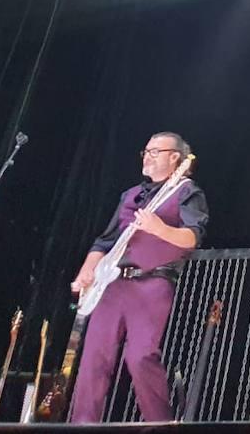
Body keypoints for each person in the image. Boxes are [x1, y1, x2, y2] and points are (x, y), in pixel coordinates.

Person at [68, 132, 208, 423]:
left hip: (153, 283)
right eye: (145, 150)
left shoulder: (186, 190)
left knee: (141, 356)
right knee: (95, 357)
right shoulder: (130, 195)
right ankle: (82, 425)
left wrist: (159, 229)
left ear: (175, 158)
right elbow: (105, 241)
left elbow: (192, 236)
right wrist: (87, 271)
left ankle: (159, 423)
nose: (147, 155)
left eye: (156, 151)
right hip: (113, 284)